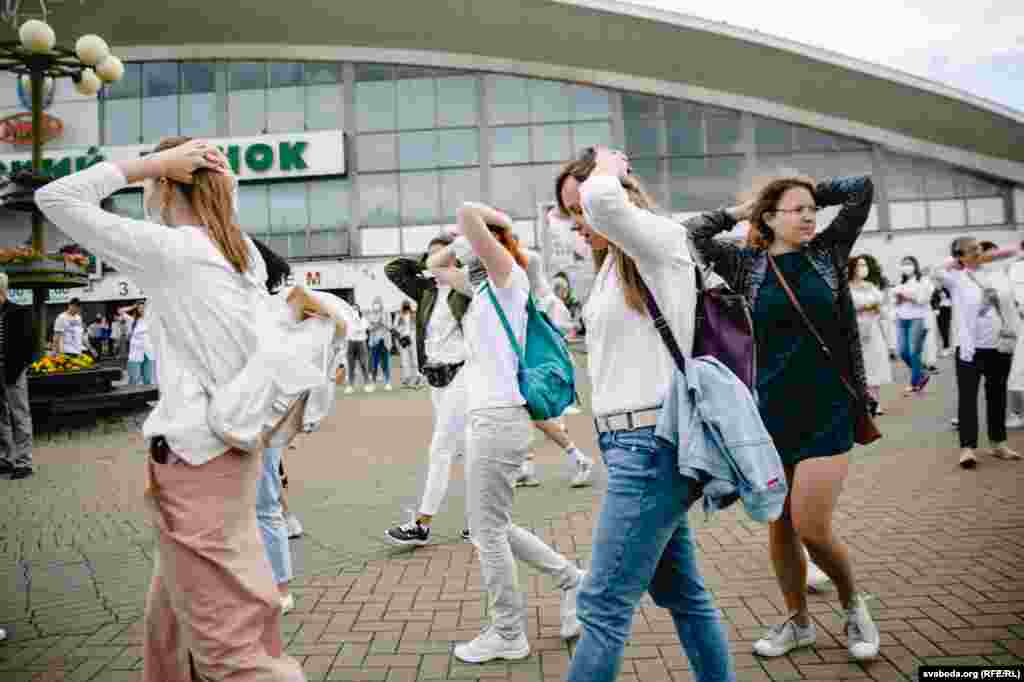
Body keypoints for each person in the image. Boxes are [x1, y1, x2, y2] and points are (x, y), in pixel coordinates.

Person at [37, 136, 314, 681]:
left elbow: (57, 198)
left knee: (231, 655)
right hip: (224, 457)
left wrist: (149, 164)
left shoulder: (176, 250)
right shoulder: (240, 253)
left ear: (166, 184)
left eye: (152, 183)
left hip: (196, 462)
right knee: (169, 630)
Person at [687, 171, 880, 662]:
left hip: (829, 406)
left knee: (812, 525)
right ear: (768, 219)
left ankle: (853, 605)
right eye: (798, 210)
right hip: (768, 412)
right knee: (780, 523)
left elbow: (861, 189)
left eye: (813, 209)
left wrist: (806, 187)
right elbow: (693, 232)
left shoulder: (829, 253)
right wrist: (745, 208)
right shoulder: (744, 263)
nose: (811, 217)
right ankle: (797, 622)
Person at [558, 147, 735, 682]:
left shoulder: (661, 239)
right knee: (683, 594)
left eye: (580, 209)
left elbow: (602, 198)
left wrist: (609, 165)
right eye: (568, 213)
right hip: (634, 445)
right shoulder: (618, 265)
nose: (578, 223)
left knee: (602, 604)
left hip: (650, 445)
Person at [427, 202, 585, 663]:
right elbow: (433, 268)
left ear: (487, 245)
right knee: (491, 525)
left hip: (499, 419)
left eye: (471, 246)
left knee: (487, 532)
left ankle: (509, 631)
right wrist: (455, 248)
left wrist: (487, 229)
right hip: (489, 419)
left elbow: (463, 212)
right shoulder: (481, 289)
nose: (462, 254)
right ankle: (570, 578)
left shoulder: (507, 278)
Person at [384, 234, 473, 546]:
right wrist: (428, 265)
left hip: (463, 374)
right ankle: (480, 519)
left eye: (443, 255)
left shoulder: (466, 288)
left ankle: (422, 524)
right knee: (466, 448)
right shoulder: (427, 291)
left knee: (441, 449)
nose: (436, 261)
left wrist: (452, 259)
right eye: (430, 256)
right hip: (436, 380)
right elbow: (393, 269)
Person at [936, 237, 1021, 468]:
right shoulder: (956, 279)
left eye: (978, 249)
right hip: (969, 348)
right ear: (960, 256)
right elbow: (936, 269)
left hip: (999, 344)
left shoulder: (995, 273)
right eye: (971, 250)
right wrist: (956, 262)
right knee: (968, 398)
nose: (978, 253)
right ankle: (967, 448)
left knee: (997, 395)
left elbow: (1013, 257)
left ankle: (998, 443)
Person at [0, 272, 35, 480]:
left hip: (13, 371)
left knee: (19, 416)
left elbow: (29, 347)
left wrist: (20, 368)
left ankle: (24, 462)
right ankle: (5, 459)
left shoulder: (19, 312)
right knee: (0, 417)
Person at [848, 256, 892, 415]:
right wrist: (862, 308)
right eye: (860, 265)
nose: (863, 268)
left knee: (875, 364)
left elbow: (882, 307)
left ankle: (875, 401)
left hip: (873, 329)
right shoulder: (846, 288)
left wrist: (877, 308)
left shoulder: (871, 286)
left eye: (865, 265)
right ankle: (862, 401)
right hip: (856, 331)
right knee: (860, 367)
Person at [891, 256, 933, 395]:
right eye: (903, 264)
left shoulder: (923, 280)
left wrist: (906, 296)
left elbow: (923, 299)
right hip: (902, 319)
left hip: (918, 319)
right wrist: (899, 298)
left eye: (909, 263)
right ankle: (922, 373)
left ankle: (914, 382)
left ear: (915, 265)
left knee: (914, 352)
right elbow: (894, 300)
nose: (906, 266)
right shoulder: (901, 281)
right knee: (903, 352)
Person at [121, 302, 155, 386]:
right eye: (140, 308)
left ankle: (147, 397)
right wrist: (133, 306)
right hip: (135, 353)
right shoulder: (132, 320)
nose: (142, 309)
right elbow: (120, 311)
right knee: (134, 379)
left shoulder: (151, 320)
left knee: (148, 379)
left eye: (144, 308)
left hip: (149, 353)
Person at [366, 297, 394, 391]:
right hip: (374, 342)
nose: (377, 305)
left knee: (385, 362)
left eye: (378, 303)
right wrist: (377, 324)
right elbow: (369, 328)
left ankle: (388, 382)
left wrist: (383, 323)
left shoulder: (386, 314)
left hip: (385, 341)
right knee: (374, 363)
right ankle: (373, 383)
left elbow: (390, 327)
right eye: (375, 303)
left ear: (381, 305)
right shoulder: (370, 314)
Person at [345, 305, 372, 394]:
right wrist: (354, 325)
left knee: (364, 363)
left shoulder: (363, 319)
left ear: (359, 310)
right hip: (351, 342)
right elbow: (349, 329)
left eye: (356, 309)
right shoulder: (348, 318)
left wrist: (357, 322)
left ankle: (367, 384)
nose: (354, 310)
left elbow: (363, 328)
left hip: (361, 342)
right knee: (351, 365)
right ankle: (350, 385)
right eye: (353, 309)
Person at [395, 301, 420, 388]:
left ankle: (418, 377)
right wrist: (400, 330)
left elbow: (418, 326)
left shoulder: (414, 314)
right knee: (405, 359)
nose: (406, 306)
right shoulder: (399, 315)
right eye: (404, 305)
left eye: (407, 305)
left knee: (415, 358)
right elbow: (395, 327)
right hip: (404, 338)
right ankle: (407, 378)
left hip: (413, 338)